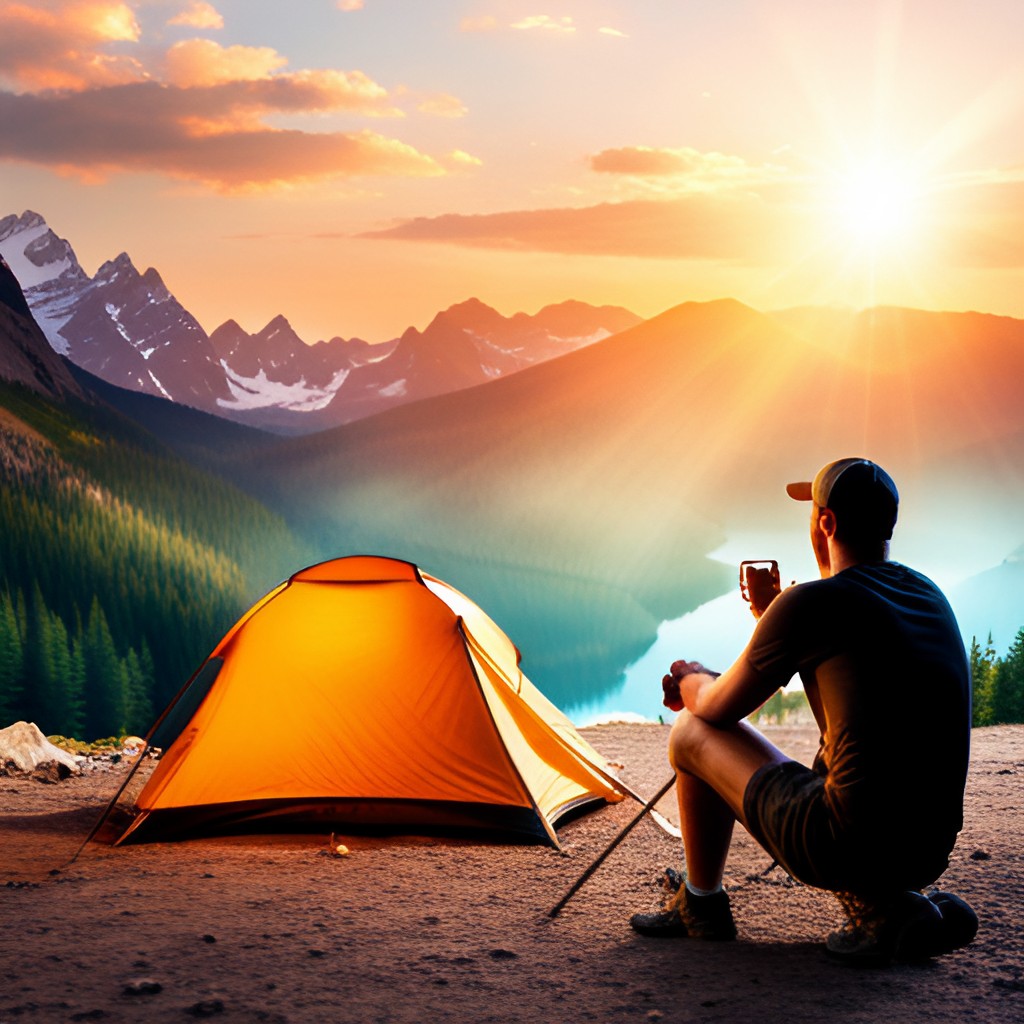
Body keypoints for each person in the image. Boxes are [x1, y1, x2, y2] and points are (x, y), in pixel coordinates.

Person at [629, 457, 978, 963]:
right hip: (926, 848)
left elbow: (716, 708)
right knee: (856, 791)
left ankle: (700, 905)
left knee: (689, 731)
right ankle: (889, 904)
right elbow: (854, 711)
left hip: (843, 843)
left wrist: (691, 677)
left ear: (827, 524)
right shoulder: (928, 594)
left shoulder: (811, 606)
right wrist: (774, 616)